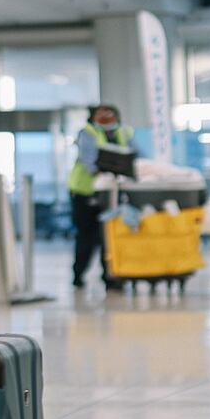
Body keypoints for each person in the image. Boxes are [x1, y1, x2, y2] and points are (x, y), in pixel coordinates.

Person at [69, 103, 136, 288]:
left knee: (110, 236)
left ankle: (111, 276)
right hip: (85, 192)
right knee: (87, 236)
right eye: (102, 116)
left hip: (112, 193)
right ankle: (78, 275)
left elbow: (135, 155)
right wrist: (104, 172)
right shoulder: (88, 133)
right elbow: (89, 160)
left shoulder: (124, 132)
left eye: (110, 116)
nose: (107, 120)